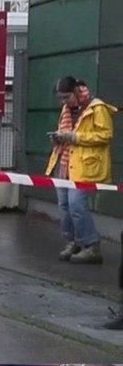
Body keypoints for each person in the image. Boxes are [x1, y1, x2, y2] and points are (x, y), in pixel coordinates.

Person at [45, 76, 115, 266]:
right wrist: (59, 138)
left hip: (85, 165)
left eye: (65, 97)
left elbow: (106, 135)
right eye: (60, 98)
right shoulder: (67, 109)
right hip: (65, 162)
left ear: (76, 92)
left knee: (76, 205)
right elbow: (66, 132)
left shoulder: (97, 108)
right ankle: (73, 242)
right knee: (64, 205)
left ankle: (92, 246)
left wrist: (75, 137)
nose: (63, 102)